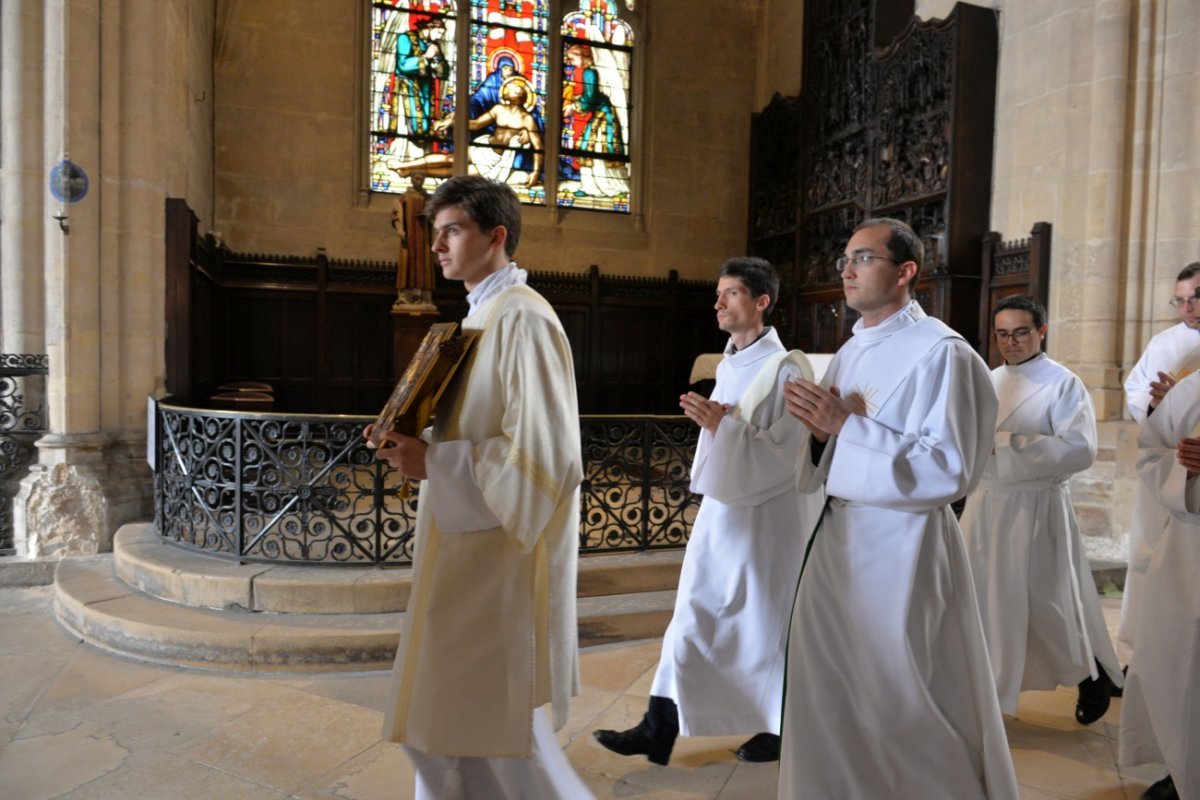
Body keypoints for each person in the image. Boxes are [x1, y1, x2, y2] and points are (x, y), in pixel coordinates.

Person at [369, 176, 592, 799]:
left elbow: (549, 456)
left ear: (497, 237)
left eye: (453, 231)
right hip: (466, 544)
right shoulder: (480, 315)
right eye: (434, 233)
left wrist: (435, 464)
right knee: (452, 724)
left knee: (472, 726)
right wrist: (406, 432)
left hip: (499, 561)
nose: (438, 246)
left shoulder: (524, 318)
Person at [780, 218, 1019, 798]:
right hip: (839, 541)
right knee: (835, 687)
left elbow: (952, 469)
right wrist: (819, 435)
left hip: (905, 546)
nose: (846, 270)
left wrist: (845, 426)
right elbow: (828, 451)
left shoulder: (944, 354)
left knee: (903, 691)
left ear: (905, 270)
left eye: (862, 258)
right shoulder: (851, 350)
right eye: (845, 259)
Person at [591, 257, 823, 766]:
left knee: (762, 622)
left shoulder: (786, 368)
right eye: (718, 294)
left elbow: (788, 453)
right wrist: (720, 427)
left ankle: (777, 726)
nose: (718, 303)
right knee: (693, 616)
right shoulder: (729, 363)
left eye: (731, 294)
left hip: (766, 520)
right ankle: (659, 727)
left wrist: (724, 428)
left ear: (762, 302)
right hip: (723, 513)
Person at [959, 295, 1123, 726]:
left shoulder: (1063, 383)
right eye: (1002, 334)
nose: (1011, 342)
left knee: (1045, 601)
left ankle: (1092, 672)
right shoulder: (987, 378)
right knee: (983, 600)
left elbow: (1080, 449)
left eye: (1021, 332)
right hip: (985, 504)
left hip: (1034, 507)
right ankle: (984, 694)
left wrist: (1003, 444)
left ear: (1041, 331)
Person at [1120, 368, 1200, 800]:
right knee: (1176, 666)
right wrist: (1185, 470)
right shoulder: (1193, 388)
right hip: (1188, 548)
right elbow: (1151, 452)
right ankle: (1182, 766)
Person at [1117, 262, 1200, 668]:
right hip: (1167, 468)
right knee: (1148, 555)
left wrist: (1183, 398)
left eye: (1196, 297)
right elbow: (1136, 390)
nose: (1189, 308)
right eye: (1180, 300)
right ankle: (1138, 652)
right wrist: (1160, 403)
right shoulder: (1164, 342)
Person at [391, 171, 433, 304]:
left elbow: (436, 216)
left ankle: (423, 297)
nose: (419, 181)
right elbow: (395, 214)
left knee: (423, 262)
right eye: (416, 178)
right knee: (408, 261)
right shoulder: (405, 197)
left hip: (423, 237)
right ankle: (405, 296)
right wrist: (399, 228)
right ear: (411, 179)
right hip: (409, 237)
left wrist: (428, 215)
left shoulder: (427, 199)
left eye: (421, 179)